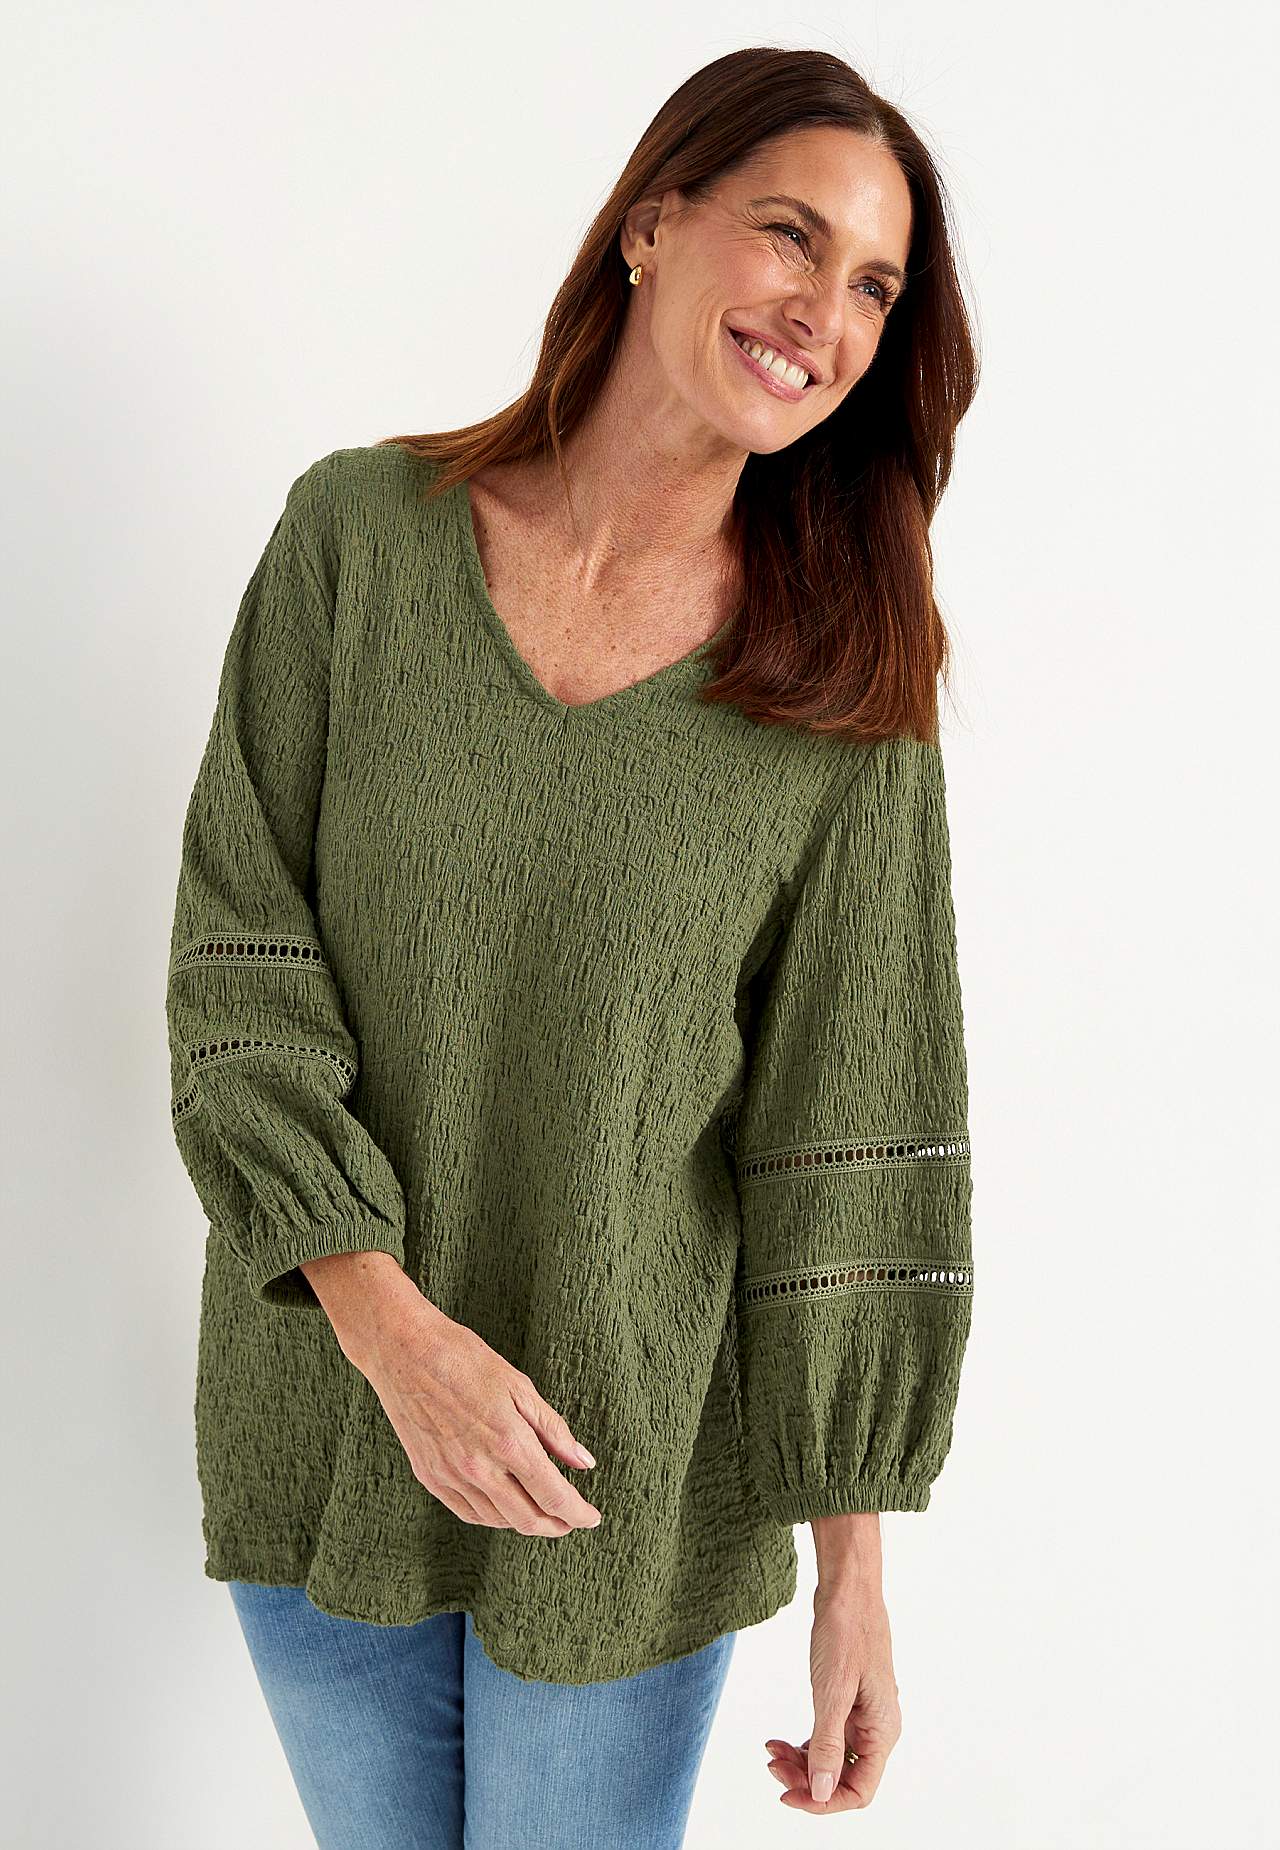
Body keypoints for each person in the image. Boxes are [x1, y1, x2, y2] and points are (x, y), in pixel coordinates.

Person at [164, 44, 978, 1849]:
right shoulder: (355, 541)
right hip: (329, 1411)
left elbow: (848, 1127)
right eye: (791, 235)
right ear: (650, 222)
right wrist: (391, 1334)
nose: (826, 314)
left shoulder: (846, 683)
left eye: (873, 288)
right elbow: (238, 968)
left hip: (628, 1473)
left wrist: (853, 1570)